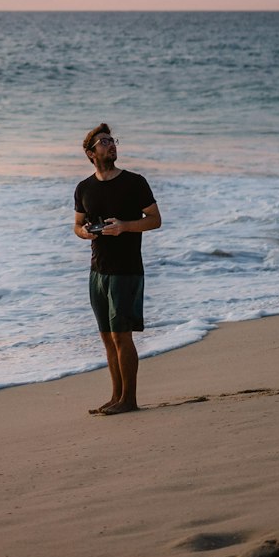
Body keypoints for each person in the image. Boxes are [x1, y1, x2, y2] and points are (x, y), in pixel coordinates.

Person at [73, 123, 161, 415]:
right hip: (97, 270)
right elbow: (77, 224)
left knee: (122, 335)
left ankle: (129, 400)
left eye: (113, 140)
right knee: (107, 336)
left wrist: (124, 227)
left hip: (127, 269)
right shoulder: (84, 188)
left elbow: (154, 219)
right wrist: (86, 233)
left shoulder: (135, 182)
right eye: (104, 141)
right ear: (90, 153)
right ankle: (115, 397)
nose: (111, 145)